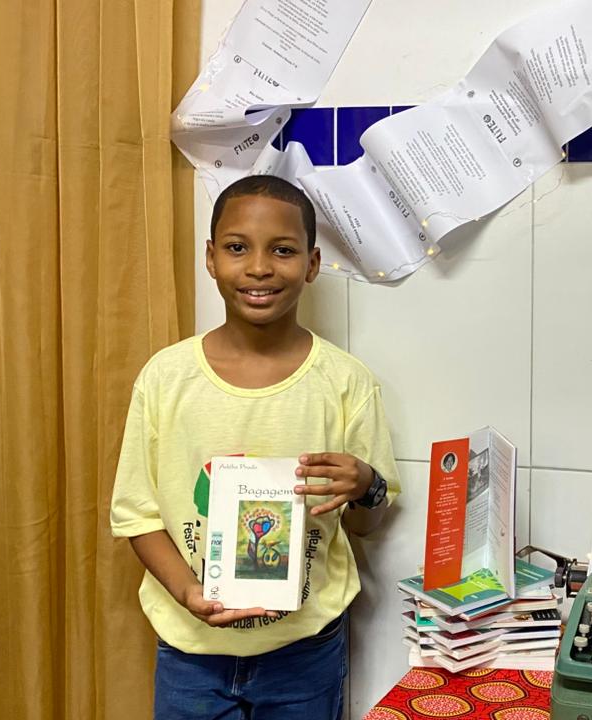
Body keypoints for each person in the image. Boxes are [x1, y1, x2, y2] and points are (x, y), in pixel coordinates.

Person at [110, 174, 399, 720]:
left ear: (312, 264)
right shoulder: (165, 378)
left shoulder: (344, 382)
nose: (260, 267)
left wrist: (364, 484)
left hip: (305, 650)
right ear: (211, 258)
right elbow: (136, 516)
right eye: (237, 247)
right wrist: (189, 594)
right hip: (190, 650)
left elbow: (366, 524)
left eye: (283, 250)